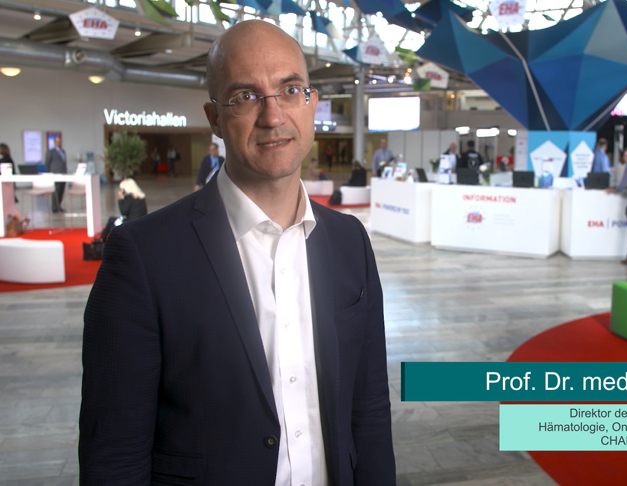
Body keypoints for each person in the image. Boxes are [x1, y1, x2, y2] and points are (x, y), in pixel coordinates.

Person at [80, 20, 395, 486]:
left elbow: (368, 410)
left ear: (311, 102)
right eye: (246, 96)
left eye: (290, 90)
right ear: (214, 119)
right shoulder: (143, 257)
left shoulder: (350, 241)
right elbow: (115, 455)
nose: (273, 116)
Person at [44, 136, 66, 213]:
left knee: (61, 190)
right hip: (55, 174)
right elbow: (47, 163)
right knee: (56, 191)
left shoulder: (63, 151)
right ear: (54, 142)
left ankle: (59, 206)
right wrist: (49, 173)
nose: (58, 143)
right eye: (57, 141)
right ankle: (54, 207)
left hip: (63, 173)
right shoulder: (50, 152)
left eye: (59, 141)